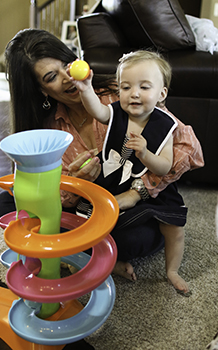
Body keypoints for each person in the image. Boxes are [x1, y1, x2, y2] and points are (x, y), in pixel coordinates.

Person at [0, 29, 203, 289]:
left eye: (68, 66)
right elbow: (46, 191)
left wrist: (138, 193)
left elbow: (184, 145)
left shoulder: (123, 92)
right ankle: (86, 253)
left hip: (133, 202)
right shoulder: (47, 130)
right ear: (41, 90)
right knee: (8, 201)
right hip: (89, 206)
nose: (68, 78)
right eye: (52, 77)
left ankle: (70, 251)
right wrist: (75, 183)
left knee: (133, 238)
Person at [69, 50, 204, 295]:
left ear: (161, 94)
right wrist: (85, 88)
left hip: (148, 185)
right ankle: (103, 258)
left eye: (144, 87)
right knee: (93, 221)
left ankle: (172, 270)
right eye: (126, 87)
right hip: (116, 179)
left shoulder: (165, 126)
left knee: (173, 227)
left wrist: (145, 154)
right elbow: (96, 111)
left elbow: (164, 167)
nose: (134, 93)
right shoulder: (117, 113)